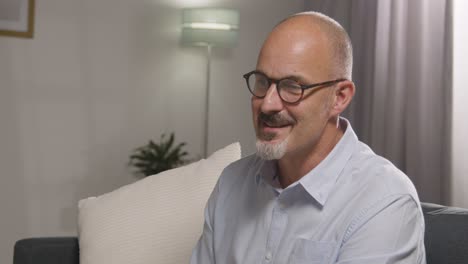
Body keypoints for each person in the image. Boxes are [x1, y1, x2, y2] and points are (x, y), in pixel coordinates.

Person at [190, 11, 426, 264]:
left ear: (340, 97)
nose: (267, 104)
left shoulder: (384, 201)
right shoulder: (231, 183)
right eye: (262, 82)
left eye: (293, 87)